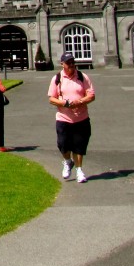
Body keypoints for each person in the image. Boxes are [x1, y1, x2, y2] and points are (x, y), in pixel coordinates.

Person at [48, 52, 96, 183]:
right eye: (68, 63)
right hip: (63, 118)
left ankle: (79, 170)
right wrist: (65, 103)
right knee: (62, 144)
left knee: (79, 146)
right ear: (62, 64)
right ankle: (68, 161)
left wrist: (80, 102)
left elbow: (91, 95)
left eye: (73, 62)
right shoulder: (57, 78)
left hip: (81, 118)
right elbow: (51, 98)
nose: (71, 65)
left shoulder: (82, 77)